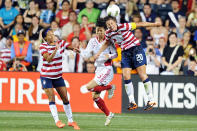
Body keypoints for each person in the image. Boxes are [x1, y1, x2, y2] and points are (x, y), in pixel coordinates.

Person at [94, 16, 161, 111]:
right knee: (125, 76)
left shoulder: (125, 26)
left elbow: (140, 24)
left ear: (115, 22)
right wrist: (98, 53)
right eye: (108, 25)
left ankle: (151, 100)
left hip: (136, 49)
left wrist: (154, 24)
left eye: (111, 23)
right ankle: (132, 102)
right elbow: (106, 43)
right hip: (125, 53)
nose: (110, 26)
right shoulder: (108, 33)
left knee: (142, 75)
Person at [39, 28, 80, 129]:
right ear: (45, 38)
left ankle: (71, 121)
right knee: (51, 98)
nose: (52, 36)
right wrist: (55, 50)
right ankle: (57, 121)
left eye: (53, 34)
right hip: (46, 76)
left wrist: (73, 49)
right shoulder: (43, 46)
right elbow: (48, 59)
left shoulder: (60, 43)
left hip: (57, 76)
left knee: (65, 98)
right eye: (49, 35)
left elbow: (67, 46)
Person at [81, 19, 117, 126]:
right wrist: (80, 51)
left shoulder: (109, 41)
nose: (99, 32)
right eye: (97, 31)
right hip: (98, 69)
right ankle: (109, 114)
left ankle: (110, 87)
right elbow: (87, 53)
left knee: (87, 87)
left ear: (105, 31)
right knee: (95, 97)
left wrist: (109, 56)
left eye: (101, 30)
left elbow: (115, 54)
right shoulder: (92, 41)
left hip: (107, 68)